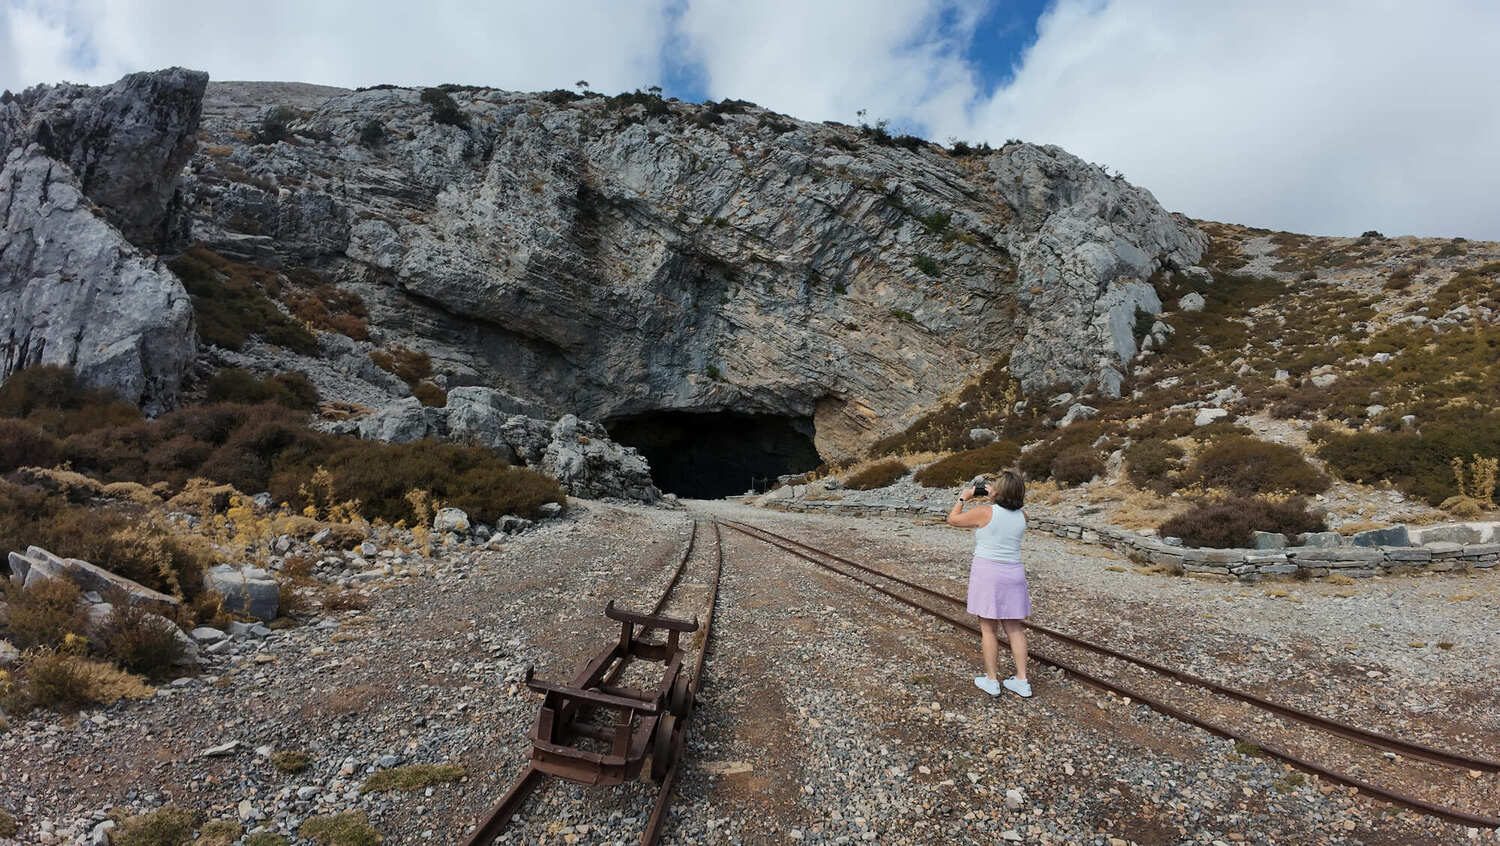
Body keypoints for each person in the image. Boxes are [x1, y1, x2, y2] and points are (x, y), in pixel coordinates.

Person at [946, 470, 1031, 698]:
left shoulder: (985, 512)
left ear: (1000, 490)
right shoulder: (1023, 516)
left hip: (988, 573)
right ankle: (1022, 680)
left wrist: (964, 497)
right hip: (1014, 573)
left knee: (988, 628)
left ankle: (992, 680)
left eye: (994, 485)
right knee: (1014, 627)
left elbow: (952, 519)